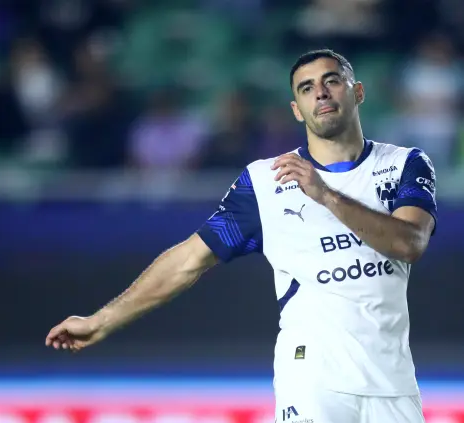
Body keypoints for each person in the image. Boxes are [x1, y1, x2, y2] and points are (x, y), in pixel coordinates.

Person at [46, 49, 437, 423]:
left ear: (357, 92)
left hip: (393, 382)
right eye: (306, 88)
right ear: (296, 110)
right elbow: (188, 260)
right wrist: (103, 319)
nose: (320, 92)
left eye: (331, 81)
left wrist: (326, 195)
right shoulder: (265, 183)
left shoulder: (405, 164)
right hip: (314, 378)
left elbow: (409, 243)